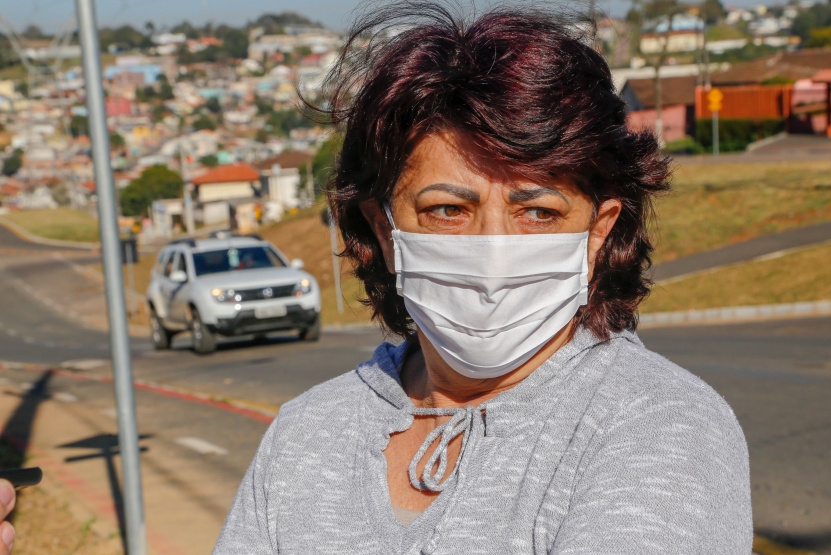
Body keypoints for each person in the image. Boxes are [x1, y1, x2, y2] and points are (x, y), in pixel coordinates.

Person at [214, 4, 752, 553]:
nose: (493, 250)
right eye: (448, 210)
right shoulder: (305, 435)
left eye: (538, 212)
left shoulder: (657, 425)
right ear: (384, 230)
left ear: (598, 231)